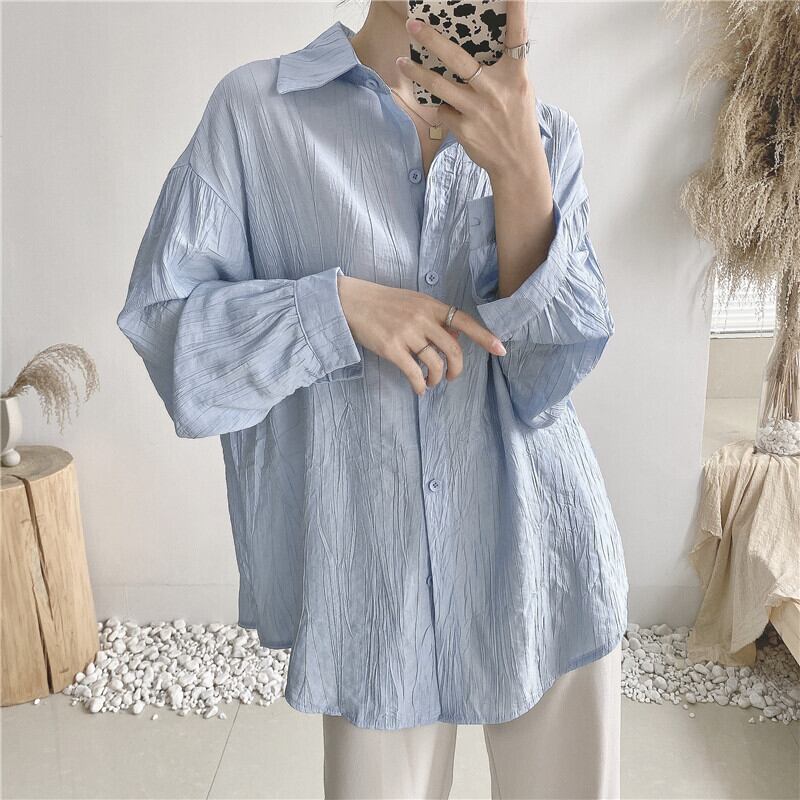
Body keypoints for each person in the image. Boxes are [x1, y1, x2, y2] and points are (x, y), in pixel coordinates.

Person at [117, 0, 629, 797]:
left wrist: (520, 172)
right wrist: (333, 308)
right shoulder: (258, 113)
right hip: (371, 582)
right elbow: (175, 346)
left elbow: (546, 381)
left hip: (545, 558)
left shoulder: (544, 134)